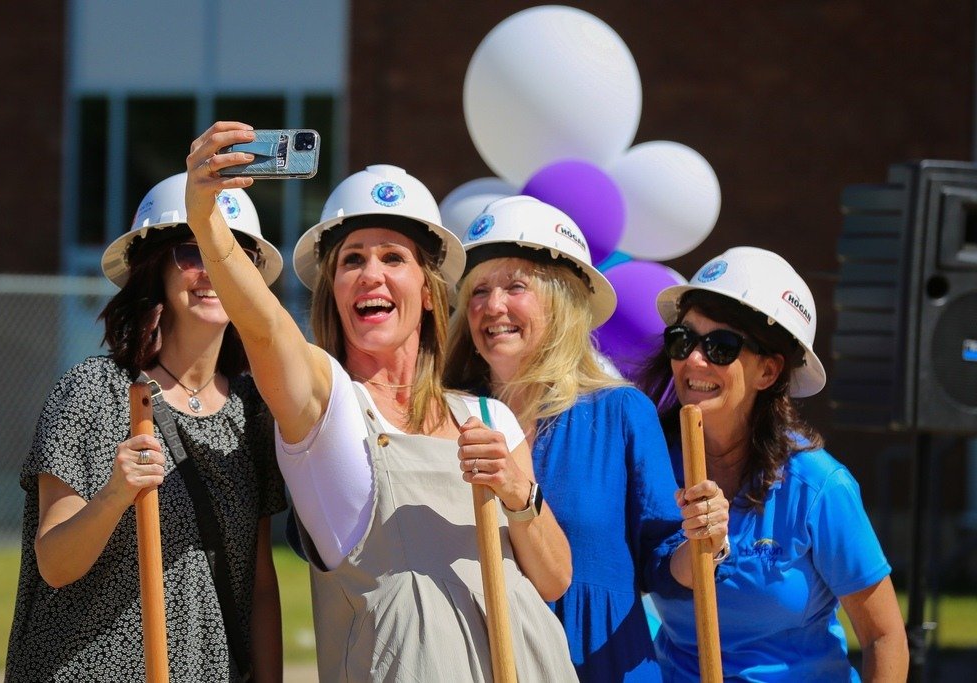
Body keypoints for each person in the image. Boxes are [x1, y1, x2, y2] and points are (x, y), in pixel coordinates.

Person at [183, 121, 578, 681]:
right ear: (334, 291)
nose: (371, 275)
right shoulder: (327, 407)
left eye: (394, 258)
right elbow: (266, 328)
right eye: (351, 260)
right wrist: (206, 221)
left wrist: (519, 494)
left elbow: (555, 578)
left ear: (427, 288)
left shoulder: (489, 415)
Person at [5, 173, 288, 682]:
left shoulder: (253, 410)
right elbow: (55, 563)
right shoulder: (93, 392)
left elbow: (260, 582)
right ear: (155, 268)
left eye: (230, 254)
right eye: (192, 252)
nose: (212, 271)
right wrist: (115, 495)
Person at [444, 195, 730, 681]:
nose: (492, 307)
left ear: (561, 303)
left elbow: (664, 567)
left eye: (516, 287)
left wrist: (708, 538)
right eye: (478, 291)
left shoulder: (621, 412)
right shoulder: (444, 413)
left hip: (602, 666)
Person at [640, 246, 909, 681]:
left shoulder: (819, 486)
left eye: (721, 346)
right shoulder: (650, 462)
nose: (693, 359)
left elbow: (883, 636)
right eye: (683, 339)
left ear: (768, 372)